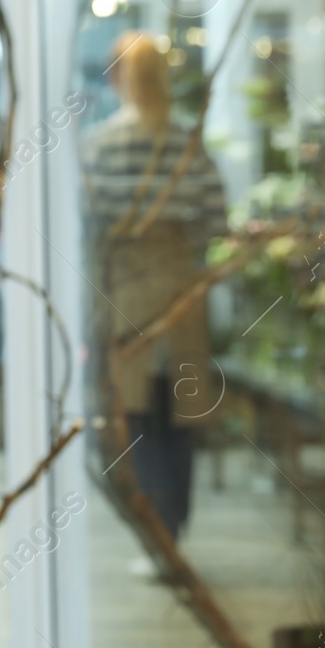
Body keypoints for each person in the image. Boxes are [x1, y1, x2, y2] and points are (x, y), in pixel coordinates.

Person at [81, 31, 228, 547]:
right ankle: (174, 531)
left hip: (124, 295)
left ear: (119, 76)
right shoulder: (189, 142)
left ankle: (154, 534)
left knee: (136, 414)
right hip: (182, 293)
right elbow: (216, 222)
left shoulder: (100, 145)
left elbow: (89, 229)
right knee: (179, 413)